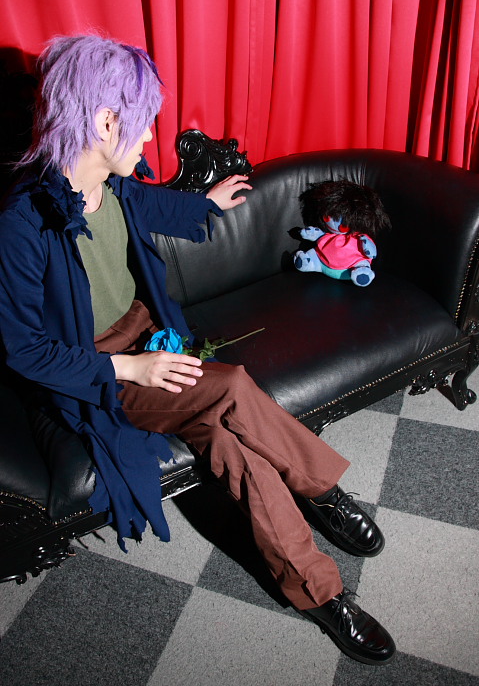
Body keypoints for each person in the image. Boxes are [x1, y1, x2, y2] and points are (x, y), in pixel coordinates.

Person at [0, 34, 395, 665]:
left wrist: (205, 202)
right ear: (104, 122)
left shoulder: (113, 185)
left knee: (232, 445)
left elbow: (152, 202)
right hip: (97, 373)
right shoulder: (23, 221)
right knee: (231, 385)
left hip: (144, 338)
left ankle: (321, 592)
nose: (149, 136)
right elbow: (24, 351)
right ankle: (323, 493)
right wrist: (131, 367)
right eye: (142, 122)